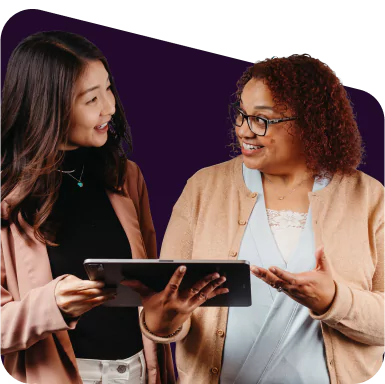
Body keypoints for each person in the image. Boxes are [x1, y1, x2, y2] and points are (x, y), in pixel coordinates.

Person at [126, 54, 385, 383]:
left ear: (310, 123)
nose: (244, 131)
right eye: (242, 115)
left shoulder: (369, 197)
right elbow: (166, 298)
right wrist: (163, 321)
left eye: (262, 120)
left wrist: (332, 299)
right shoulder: (204, 188)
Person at [0, 30, 183, 384]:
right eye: (90, 99)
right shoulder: (7, 195)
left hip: (141, 371)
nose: (110, 108)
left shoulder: (126, 176)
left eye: (109, 89)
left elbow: (148, 289)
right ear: (46, 107)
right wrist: (54, 306)